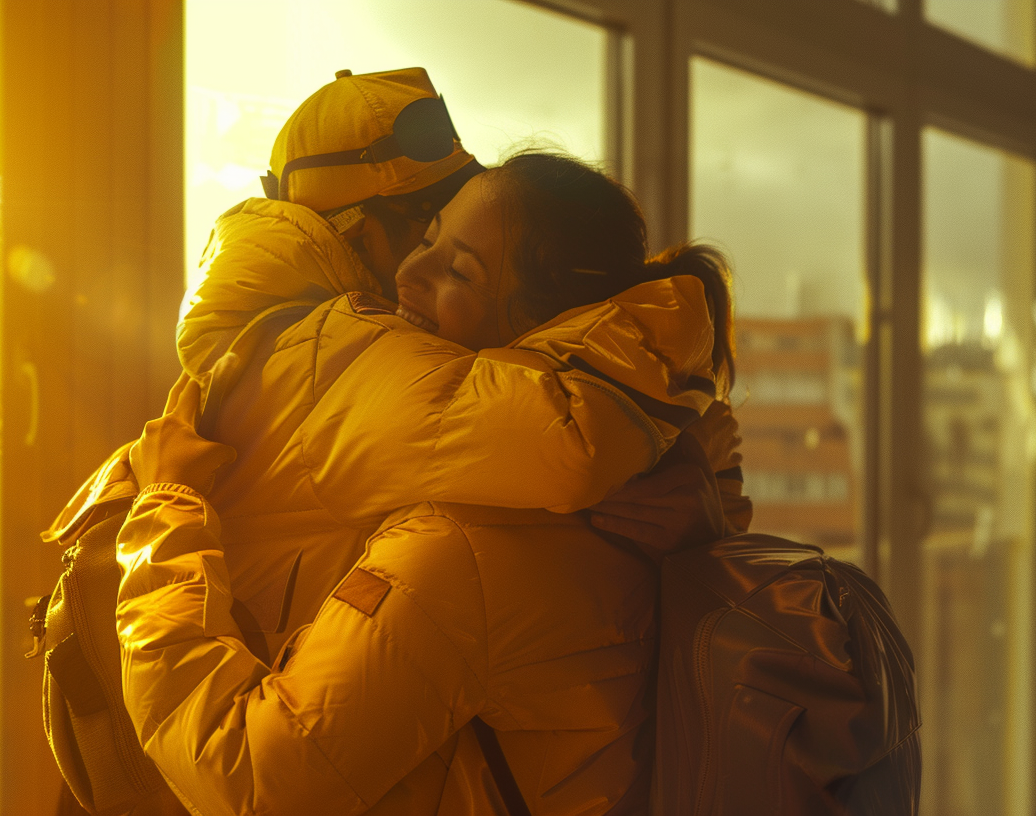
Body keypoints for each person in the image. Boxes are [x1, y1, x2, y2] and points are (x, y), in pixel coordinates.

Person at [46, 68, 742, 814]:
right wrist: (676, 441)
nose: (413, 269)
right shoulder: (357, 365)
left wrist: (166, 509)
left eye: (454, 256)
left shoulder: (471, 515)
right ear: (348, 232)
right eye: (422, 227)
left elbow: (255, 778)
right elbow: (572, 440)